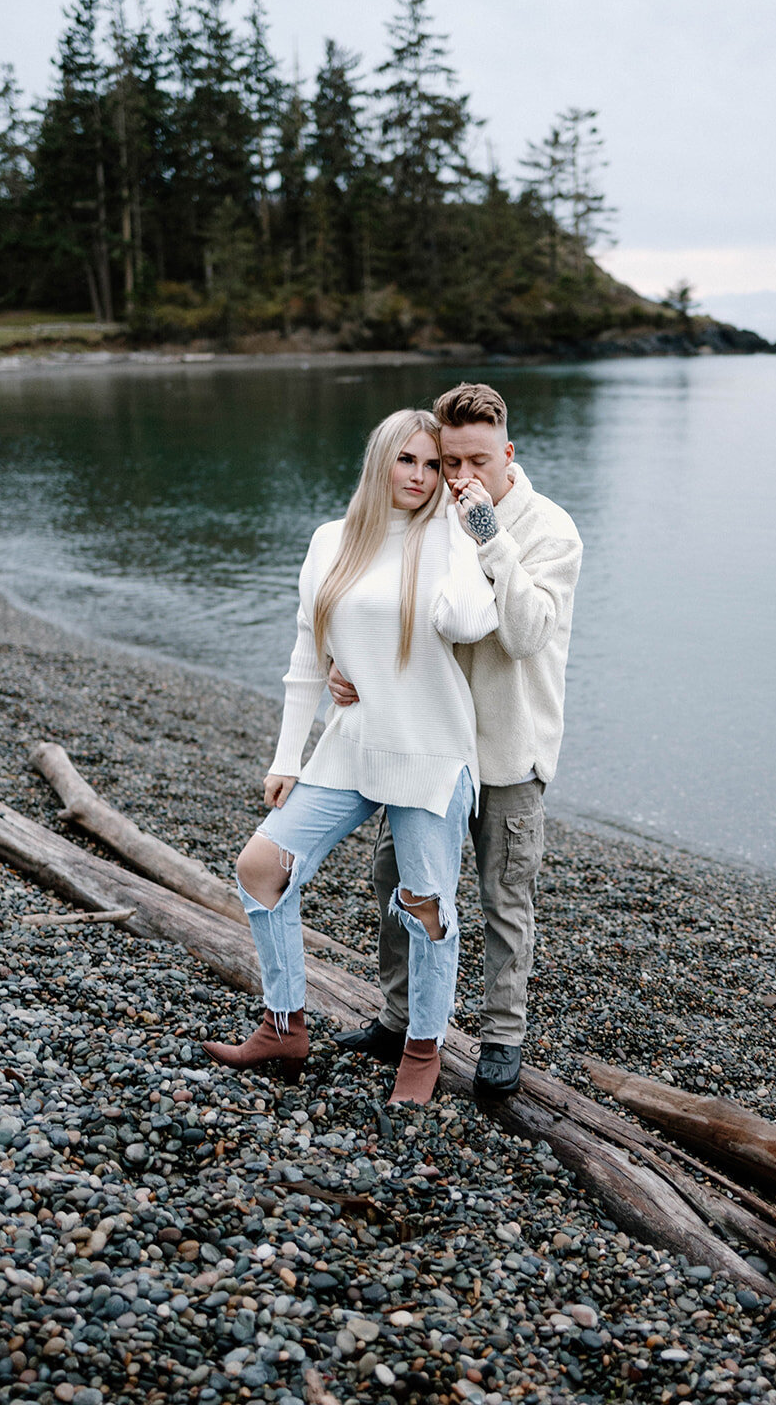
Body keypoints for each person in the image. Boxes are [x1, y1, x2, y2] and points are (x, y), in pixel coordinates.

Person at [203, 408, 497, 1105]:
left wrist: (473, 534)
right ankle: (283, 1023)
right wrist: (287, 759)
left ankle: (422, 1055)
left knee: (426, 908)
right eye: (409, 461)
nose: (422, 477)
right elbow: (307, 656)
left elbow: (469, 621)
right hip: (348, 747)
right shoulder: (331, 540)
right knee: (260, 868)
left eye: (434, 465)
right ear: (380, 461)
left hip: (428, 750)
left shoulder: (448, 536)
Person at [331, 383, 583, 1096]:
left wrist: (488, 536)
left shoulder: (550, 531)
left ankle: (502, 1035)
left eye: (477, 460)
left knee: (504, 896)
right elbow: (373, 601)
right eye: (450, 462)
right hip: (427, 745)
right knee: (394, 881)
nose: (461, 477)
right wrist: (338, 664)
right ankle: (398, 1016)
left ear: (507, 453)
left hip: (508, 750)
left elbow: (527, 633)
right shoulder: (426, 516)